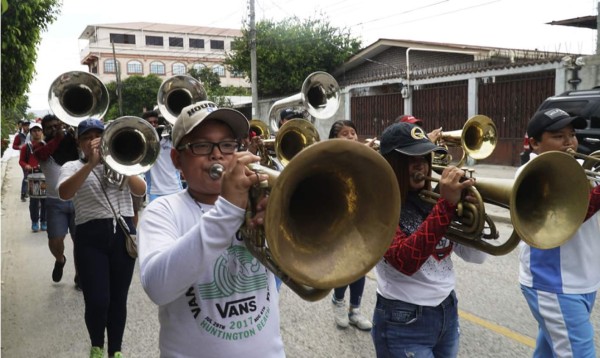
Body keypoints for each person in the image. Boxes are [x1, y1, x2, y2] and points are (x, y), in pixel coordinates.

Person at [138, 100, 284, 357]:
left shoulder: (259, 201)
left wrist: (281, 224)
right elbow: (158, 287)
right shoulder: (163, 211)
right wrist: (228, 210)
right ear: (176, 159)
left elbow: (309, 271)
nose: (217, 154)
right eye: (201, 145)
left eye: (227, 145)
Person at [371, 122, 487, 358]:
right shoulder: (377, 207)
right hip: (402, 319)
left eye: (424, 158)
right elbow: (406, 261)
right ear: (390, 164)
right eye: (410, 160)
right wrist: (445, 208)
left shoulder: (434, 198)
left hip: (447, 310)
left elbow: (477, 256)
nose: (421, 167)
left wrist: (474, 217)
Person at [58, 118, 145, 358]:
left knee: (119, 299)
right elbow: (65, 193)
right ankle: (97, 344)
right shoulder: (72, 166)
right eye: (87, 137)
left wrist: (119, 165)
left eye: (98, 136)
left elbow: (141, 190)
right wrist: (91, 164)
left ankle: (115, 350)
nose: (93, 141)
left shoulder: (121, 162)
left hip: (123, 233)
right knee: (97, 300)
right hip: (89, 237)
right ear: (79, 143)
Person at [518, 108, 600, 358]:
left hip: (583, 278)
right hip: (553, 283)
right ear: (534, 143)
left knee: (549, 353)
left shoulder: (582, 167)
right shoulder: (530, 174)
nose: (569, 142)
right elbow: (569, 214)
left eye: (572, 134)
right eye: (558, 136)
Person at [327, 119, 373, 331]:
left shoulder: (365, 156)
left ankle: (355, 310)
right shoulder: (329, 158)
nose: (351, 137)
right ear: (334, 139)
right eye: (345, 134)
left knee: (360, 265)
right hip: (337, 218)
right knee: (345, 264)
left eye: (353, 133)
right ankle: (338, 300)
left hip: (361, 217)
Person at [32, 115, 79, 286]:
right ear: (44, 130)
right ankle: (60, 259)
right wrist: (58, 138)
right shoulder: (41, 147)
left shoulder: (71, 143)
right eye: (50, 127)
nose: (54, 129)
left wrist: (73, 133)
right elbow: (42, 155)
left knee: (80, 240)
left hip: (78, 201)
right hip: (55, 202)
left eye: (56, 126)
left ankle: (79, 275)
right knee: (55, 241)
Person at [141, 110, 182, 203]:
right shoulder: (143, 144)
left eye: (155, 122)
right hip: (154, 192)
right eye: (150, 123)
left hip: (175, 189)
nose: (153, 124)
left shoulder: (171, 139)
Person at [19, 123, 46, 232]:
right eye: (34, 131)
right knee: (34, 201)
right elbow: (21, 161)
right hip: (33, 176)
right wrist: (27, 166)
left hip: (44, 176)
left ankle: (44, 221)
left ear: (42, 132)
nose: (37, 132)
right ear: (30, 133)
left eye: (38, 130)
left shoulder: (45, 145)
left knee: (45, 201)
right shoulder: (27, 147)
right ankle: (35, 221)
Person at [14, 120, 31, 201]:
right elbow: (14, 146)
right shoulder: (19, 136)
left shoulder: (32, 134)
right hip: (23, 158)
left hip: (31, 158)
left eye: (28, 125)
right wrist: (19, 147)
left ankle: (27, 192)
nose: (27, 127)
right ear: (23, 126)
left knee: (30, 176)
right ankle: (23, 194)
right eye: (26, 125)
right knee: (26, 176)